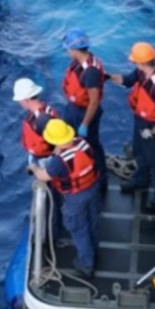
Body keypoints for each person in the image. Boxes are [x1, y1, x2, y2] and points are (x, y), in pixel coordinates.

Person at [29, 119, 103, 278]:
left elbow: (43, 176)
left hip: (75, 197)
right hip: (93, 188)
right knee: (92, 222)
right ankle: (94, 252)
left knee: (78, 229)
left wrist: (34, 167)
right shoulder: (83, 143)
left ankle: (86, 264)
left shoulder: (59, 162)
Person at [108, 41, 155, 211]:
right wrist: (109, 77)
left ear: (143, 62)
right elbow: (128, 81)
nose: (133, 63)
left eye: (135, 61)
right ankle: (140, 180)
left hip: (152, 126)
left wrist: (153, 132)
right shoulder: (141, 73)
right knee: (139, 152)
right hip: (141, 121)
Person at [61, 28, 108, 189]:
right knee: (69, 140)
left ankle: (99, 180)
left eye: (68, 48)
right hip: (74, 107)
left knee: (91, 145)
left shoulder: (91, 71)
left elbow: (93, 102)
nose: (67, 51)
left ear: (75, 50)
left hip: (84, 113)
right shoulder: (79, 63)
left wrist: (85, 124)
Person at [12, 77, 58, 167]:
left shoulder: (42, 120)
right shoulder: (43, 110)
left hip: (47, 159)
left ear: (25, 100)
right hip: (40, 155)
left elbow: (58, 143)